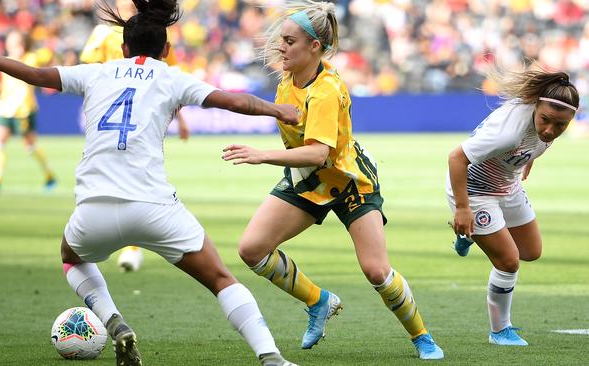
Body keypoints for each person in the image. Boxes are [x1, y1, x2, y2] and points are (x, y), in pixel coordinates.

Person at [0, 0, 301, 364]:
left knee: (71, 258)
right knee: (221, 280)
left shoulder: (97, 73)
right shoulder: (171, 76)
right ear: (166, 51)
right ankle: (271, 357)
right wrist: (278, 110)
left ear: (123, 48)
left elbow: (37, 75)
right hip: (154, 207)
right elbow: (234, 101)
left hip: (94, 210)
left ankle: (114, 320)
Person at [221, 0, 444, 360]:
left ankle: (422, 337)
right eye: (282, 40)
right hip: (308, 180)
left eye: (290, 41)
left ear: (314, 47)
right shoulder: (287, 81)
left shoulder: (326, 90)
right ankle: (318, 301)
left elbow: (317, 153)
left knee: (376, 270)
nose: (282, 46)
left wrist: (260, 155)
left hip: (349, 180)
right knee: (251, 249)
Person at [446, 66, 579, 346]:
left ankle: (468, 233)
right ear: (536, 105)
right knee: (508, 261)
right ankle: (499, 330)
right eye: (546, 120)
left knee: (531, 251)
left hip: (508, 185)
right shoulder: (507, 133)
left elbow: (537, 139)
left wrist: (528, 158)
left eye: (560, 126)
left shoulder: (545, 121)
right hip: (474, 190)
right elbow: (456, 158)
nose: (550, 130)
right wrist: (462, 208)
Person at [80, 0, 190, 272]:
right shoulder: (102, 33)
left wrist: (182, 120)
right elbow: (89, 70)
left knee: (136, 170)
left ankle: (130, 246)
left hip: (143, 112)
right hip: (112, 111)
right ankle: (118, 239)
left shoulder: (155, 30)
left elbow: (170, 78)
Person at [0, 30, 56, 194]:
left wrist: (47, 41)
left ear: (22, 44)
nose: (12, 45)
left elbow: (47, 54)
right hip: (3, 109)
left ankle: (50, 176)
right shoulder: (5, 61)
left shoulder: (31, 58)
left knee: (30, 147)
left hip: (24, 111)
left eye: (16, 42)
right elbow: (8, 85)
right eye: (10, 41)